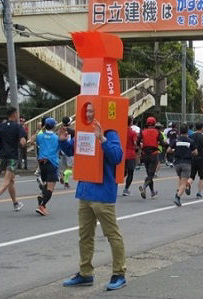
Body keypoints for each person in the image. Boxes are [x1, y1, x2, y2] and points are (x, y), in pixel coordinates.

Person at [61, 102, 127, 291]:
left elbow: (117, 157)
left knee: (112, 235)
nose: (89, 113)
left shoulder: (110, 131)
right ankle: (85, 273)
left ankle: (119, 273)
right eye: (87, 110)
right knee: (85, 235)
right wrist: (63, 140)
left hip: (103, 193)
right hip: (84, 192)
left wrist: (103, 140)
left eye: (92, 109)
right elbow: (71, 151)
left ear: (99, 111)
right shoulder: (82, 130)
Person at [0, 107, 27, 212]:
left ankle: (15, 203)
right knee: (7, 180)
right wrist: (22, 143)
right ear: (14, 114)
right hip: (12, 157)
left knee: (11, 180)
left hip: (2, 156)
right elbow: (23, 142)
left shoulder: (0, 126)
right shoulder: (18, 127)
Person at [35, 118, 60, 216]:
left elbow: (36, 144)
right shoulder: (56, 137)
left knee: (46, 183)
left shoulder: (40, 136)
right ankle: (42, 205)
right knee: (51, 187)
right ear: (53, 126)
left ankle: (42, 196)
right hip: (52, 162)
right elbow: (59, 149)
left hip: (42, 162)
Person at [168, 123, 197, 206]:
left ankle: (180, 189)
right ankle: (177, 197)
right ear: (187, 131)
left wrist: (175, 150)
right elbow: (195, 152)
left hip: (177, 164)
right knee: (184, 183)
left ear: (180, 131)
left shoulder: (176, 141)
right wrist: (189, 152)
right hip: (186, 164)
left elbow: (168, 150)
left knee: (181, 180)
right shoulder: (190, 141)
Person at [137, 116, 164, 199]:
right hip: (153, 155)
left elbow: (137, 141)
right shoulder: (157, 132)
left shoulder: (143, 132)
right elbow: (162, 142)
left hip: (145, 155)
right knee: (150, 175)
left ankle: (152, 192)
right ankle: (144, 187)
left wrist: (141, 147)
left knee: (149, 174)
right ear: (154, 123)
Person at [186, 121, 203, 199]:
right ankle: (199, 193)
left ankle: (188, 184)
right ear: (202, 128)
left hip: (192, 159)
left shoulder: (191, 136)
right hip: (201, 159)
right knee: (202, 177)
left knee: (192, 176)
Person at [123, 116, 137, 196]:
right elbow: (135, 143)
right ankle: (126, 189)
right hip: (131, 154)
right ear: (131, 122)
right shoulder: (133, 132)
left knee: (121, 172)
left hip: (122, 153)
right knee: (130, 172)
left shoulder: (121, 131)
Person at [59, 116, 75, 189]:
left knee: (64, 167)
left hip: (62, 150)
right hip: (69, 150)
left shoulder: (61, 129)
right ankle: (65, 177)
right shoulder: (71, 131)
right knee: (70, 168)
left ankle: (65, 181)